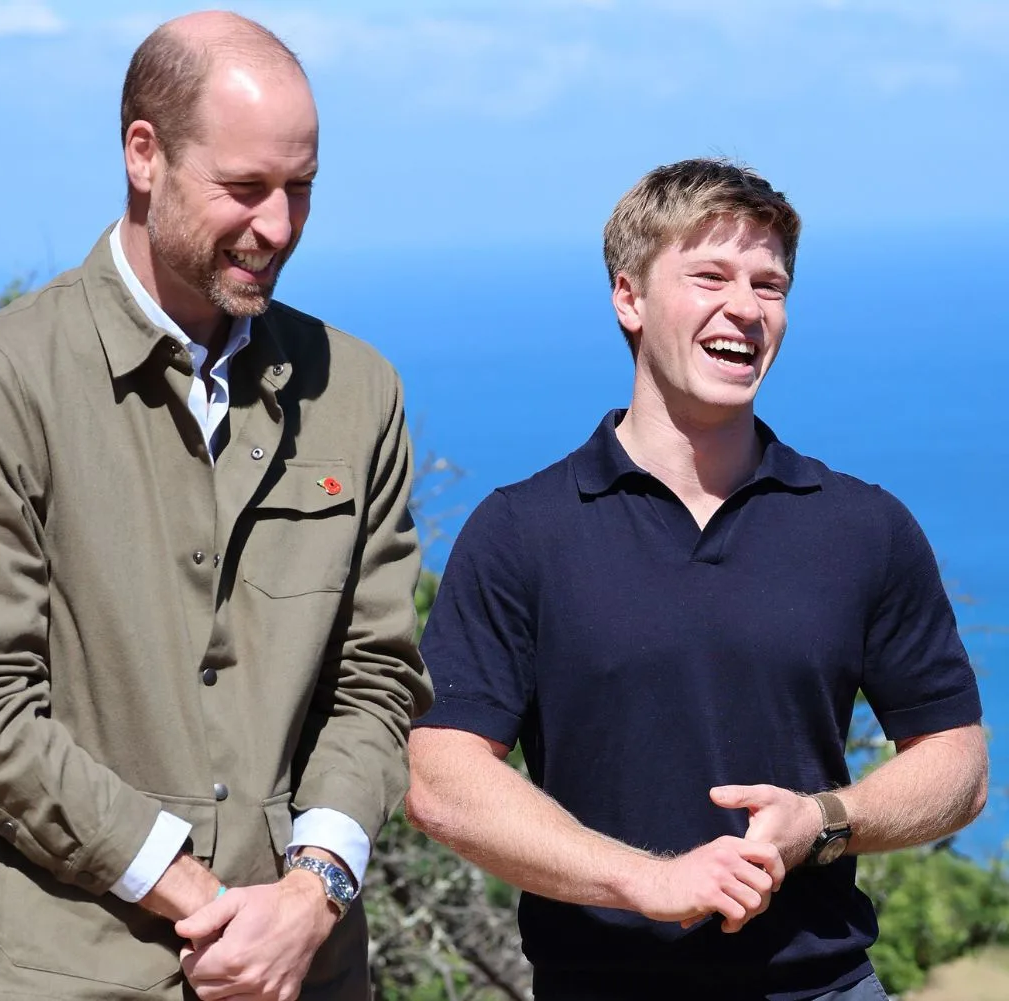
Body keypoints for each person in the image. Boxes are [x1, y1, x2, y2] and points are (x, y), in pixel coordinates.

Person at [0, 11, 432, 1001]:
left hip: (306, 972)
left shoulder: (358, 390)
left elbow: (378, 678)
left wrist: (309, 897)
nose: (278, 227)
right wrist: (194, 890)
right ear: (145, 154)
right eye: (245, 188)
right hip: (63, 974)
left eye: (300, 188)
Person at [405, 158, 987, 1000]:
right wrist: (644, 880)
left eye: (769, 284)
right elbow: (440, 777)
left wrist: (822, 823)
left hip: (823, 985)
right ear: (628, 298)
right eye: (709, 275)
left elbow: (959, 767)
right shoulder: (523, 531)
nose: (746, 309)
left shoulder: (862, 526)